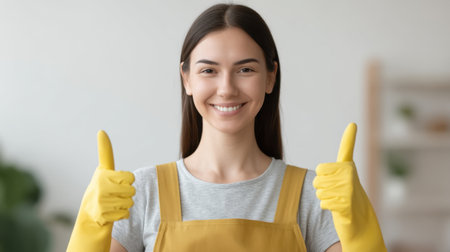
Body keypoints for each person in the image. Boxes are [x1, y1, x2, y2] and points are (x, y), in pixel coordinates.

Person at [67, 3, 386, 252]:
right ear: (186, 78)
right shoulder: (139, 193)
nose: (226, 88)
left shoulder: (316, 197)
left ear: (270, 77)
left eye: (245, 69)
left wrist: (360, 233)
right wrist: (88, 230)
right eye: (209, 71)